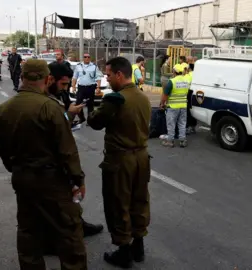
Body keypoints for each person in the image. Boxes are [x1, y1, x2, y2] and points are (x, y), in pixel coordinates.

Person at [0, 59, 87, 270]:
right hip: (51, 180)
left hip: (22, 177)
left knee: (29, 231)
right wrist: (78, 179)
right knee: (69, 231)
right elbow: (67, 151)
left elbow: (1, 147)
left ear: (22, 77)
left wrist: (16, 167)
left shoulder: (4, 108)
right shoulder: (50, 108)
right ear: (47, 79)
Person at [87, 57, 151, 268]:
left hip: (121, 160)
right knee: (139, 201)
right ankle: (138, 246)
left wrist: (89, 111)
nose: (106, 78)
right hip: (142, 157)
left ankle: (124, 251)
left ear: (119, 75)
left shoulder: (116, 99)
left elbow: (96, 123)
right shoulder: (142, 97)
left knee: (118, 204)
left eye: (108, 75)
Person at [44, 62, 104, 245]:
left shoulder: (58, 94)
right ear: (50, 79)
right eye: (63, 84)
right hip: (50, 162)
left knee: (69, 199)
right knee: (56, 203)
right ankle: (58, 240)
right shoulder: (43, 102)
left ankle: (78, 224)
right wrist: (68, 115)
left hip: (57, 157)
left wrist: (71, 113)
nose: (65, 88)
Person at [161, 64, 189, 148]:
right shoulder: (186, 81)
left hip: (173, 106)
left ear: (174, 72)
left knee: (171, 124)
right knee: (182, 123)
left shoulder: (172, 81)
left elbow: (165, 95)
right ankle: (182, 141)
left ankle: (170, 141)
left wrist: (162, 104)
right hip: (183, 105)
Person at [71, 53, 102, 124]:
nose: (87, 58)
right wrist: (73, 86)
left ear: (90, 58)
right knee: (78, 103)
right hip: (81, 87)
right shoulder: (78, 66)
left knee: (90, 104)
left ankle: (89, 120)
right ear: (83, 58)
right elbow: (75, 77)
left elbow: (98, 77)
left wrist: (98, 87)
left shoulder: (94, 66)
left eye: (88, 57)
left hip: (90, 87)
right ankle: (82, 118)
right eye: (85, 57)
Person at [185, 63, 197, 134]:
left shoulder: (188, 75)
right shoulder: (196, 74)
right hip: (195, 93)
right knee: (193, 110)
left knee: (187, 111)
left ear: (189, 68)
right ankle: (193, 127)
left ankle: (189, 127)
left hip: (189, 93)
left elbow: (186, 84)